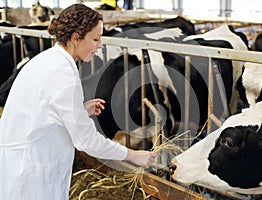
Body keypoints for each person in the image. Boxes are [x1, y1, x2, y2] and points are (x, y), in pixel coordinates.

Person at [0, 4, 156, 200]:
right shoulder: (62, 75)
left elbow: (42, 109)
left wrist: (79, 110)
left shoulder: (47, 60)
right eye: (95, 39)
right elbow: (87, 141)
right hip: (33, 172)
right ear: (76, 38)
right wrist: (133, 155)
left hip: (22, 161)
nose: (100, 45)